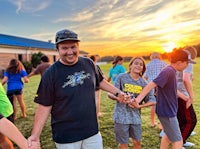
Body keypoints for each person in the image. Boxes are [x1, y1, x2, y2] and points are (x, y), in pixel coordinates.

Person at [28, 29, 128, 149]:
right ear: (58, 49)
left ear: (78, 46)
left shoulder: (88, 63)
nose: (70, 52)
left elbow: (100, 81)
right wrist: (35, 135)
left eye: (73, 47)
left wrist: (118, 92)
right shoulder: (50, 73)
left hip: (91, 131)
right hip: (66, 136)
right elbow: (44, 105)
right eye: (64, 48)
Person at [131, 50, 196, 149]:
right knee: (178, 141)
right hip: (167, 113)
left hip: (167, 111)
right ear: (179, 63)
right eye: (186, 63)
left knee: (168, 135)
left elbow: (172, 89)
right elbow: (152, 84)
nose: (187, 66)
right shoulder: (168, 71)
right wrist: (138, 100)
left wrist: (186, 98)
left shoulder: (171, 71)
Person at [108, 57, 156, 149]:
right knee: (123, 144)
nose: (138, 65)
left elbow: (153, 101)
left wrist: (139, 106)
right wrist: (119, 98)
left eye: (141, 64)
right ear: (130, 66)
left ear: (143, 68)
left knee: (137, 142)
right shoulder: (121, 77)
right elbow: (110, 93)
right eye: (136, 63)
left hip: (135, 118)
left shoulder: (144, 83)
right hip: (120, 117)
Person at [0, 83, 40, 149]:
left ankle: (24, 114)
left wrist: (25, 144)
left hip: (4, 110)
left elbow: (1, 121)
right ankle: (24, 114)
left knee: (2, 139)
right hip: (6, 108)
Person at [176, 46, 197, 147]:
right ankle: (179, 144)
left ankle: (181, 142)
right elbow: (186, 78)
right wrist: (191, 97)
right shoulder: (187, 58)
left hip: (176, 94)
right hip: (182, 94)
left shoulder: (179, 57)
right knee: (191, 120)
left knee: (181, 119)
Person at [144, 52, 167, 128]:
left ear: (151, 57)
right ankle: (161, 124)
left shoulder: (148, 65)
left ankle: (152, 122)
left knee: (153, 104)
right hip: (162, 86)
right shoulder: (164, 64)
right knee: (162, 105)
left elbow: (145, 77)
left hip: (151, 86)